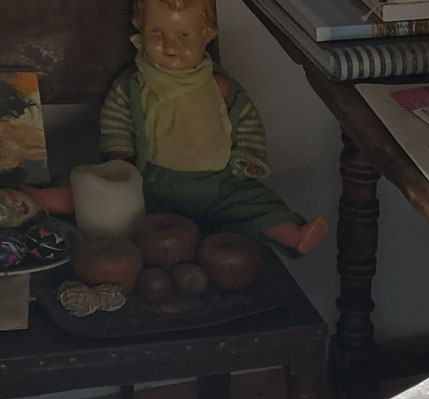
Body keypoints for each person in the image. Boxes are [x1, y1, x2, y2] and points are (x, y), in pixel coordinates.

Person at [102, 0, 327, 253]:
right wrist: (119, 153)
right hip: (155, 184)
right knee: (115, 206)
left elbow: (246, 119)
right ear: (139, 26)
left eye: (184, 35)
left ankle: (293, 234)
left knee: (257, 204)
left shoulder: (219, 85)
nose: (170, 46)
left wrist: (248, 156)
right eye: (156, 32)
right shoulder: (134, 84)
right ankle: (68, 204)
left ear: (207, 34)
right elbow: (116, 118)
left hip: (219, 183)